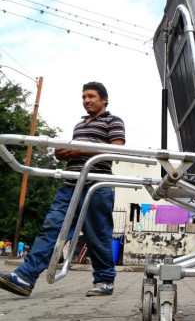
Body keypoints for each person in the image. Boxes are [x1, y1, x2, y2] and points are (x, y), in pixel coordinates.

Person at [0, 81, 125, 298]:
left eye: (91, 96)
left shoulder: (113, 121)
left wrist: (76, 149)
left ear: (104, 99)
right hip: (70, 184)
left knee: (97, 235)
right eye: (84, 97)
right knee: (51, 228)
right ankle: (25, 277)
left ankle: (104, 280)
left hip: (96, 185)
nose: (86, 100)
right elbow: (77, 151)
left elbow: (116, 149)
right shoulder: (80, 125)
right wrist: (63, 153)